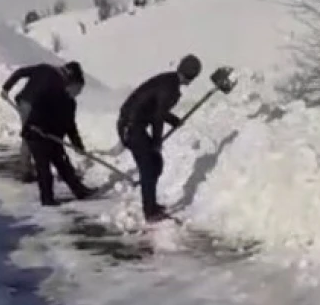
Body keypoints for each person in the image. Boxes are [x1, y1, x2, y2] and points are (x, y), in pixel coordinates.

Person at [116, 54, 201, 222]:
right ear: (191, 77)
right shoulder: (171, 89)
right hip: (131, 127)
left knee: (155, 163)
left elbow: (157, 109)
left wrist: (173, 120)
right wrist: (156, 141)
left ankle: (152, 205)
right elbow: (157, 117)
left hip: (132, 124)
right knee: (148, 166)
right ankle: (150, 212)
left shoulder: (168, 80)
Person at [20, 69, 96, 207]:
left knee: (63, 164)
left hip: (53, 137)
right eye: (78, 88)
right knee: (44, 167)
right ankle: (47, 199)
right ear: (70, 85)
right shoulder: (51, 94)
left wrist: (78, 146)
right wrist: (39, 127)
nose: (79, 92)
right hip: (35, 135)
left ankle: (80, 191)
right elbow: (36, 111)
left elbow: (70, 126)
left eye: (81, 89)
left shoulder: (71, 103)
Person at [0, 60, 84, 182]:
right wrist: (76, 143)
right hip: (33, 107)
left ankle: (28, 169)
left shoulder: (44, 68)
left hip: (24, 102)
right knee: (31, 136)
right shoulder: (58, 83)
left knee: (31, 135)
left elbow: (20, 72)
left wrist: (6, 88)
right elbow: (66, 121)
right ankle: (26, 171)